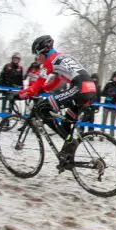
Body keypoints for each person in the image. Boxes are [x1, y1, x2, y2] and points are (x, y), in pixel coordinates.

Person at [17, 36, 96, 168]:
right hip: (91, 89)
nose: (36, 58)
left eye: (36, 54)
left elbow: (35, 88)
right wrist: (44, 88)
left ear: (44, 51)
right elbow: (57, 81)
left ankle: (70, 142)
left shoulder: (49, 61)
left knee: (42, 108)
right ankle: (68, 157)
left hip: (79, 89)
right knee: (66, 122)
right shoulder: (61, 56)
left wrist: (18, 96)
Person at [100, 71, 116, 138]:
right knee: (104, 121)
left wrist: (115, 95)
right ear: (112, 77)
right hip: (106, 105)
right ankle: (101, 134)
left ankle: (111, 135)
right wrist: (108, 94)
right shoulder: (108, 84)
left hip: (114, 106)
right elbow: (102, 93)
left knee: (113, 122)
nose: (115, 79)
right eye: (114, 77)